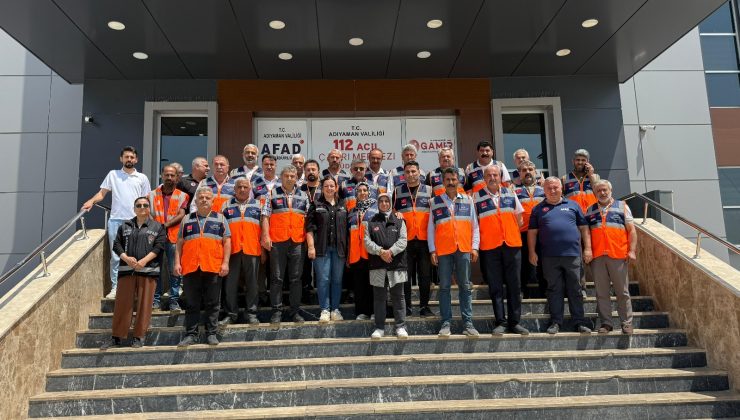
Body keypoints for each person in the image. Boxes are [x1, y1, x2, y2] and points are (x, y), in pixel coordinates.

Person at [81, 146, 151, 299]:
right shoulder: (113, 174)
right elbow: (102, 193)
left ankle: (135, 289)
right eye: (126, 157)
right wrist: (91, 201)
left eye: (132, 157)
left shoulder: (142, 178)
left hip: (136, 221)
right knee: (116, 256)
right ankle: (116, 288)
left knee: (137, 254)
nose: (129, 159)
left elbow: (146, 200)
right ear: (121, 159)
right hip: (115, 221)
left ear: (136, 160)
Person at [527, 177, 592, 335]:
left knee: (575, 289)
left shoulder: (573, 205)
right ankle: (556, 322)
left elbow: (584, 228)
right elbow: (532, 233)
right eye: (549, 188)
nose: (552, 190)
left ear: (561, 188)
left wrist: (588, 249)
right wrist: (532, 252)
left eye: (555, 187)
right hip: (549, 257)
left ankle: (579, 322)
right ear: (544, 190)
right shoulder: (538, 209)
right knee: (554, 289)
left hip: (573, 255)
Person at [100, 197, 166, 350]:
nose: (142, 207)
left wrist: (143, 261)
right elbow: (117, 245)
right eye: (139, 205)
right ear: (134, 208)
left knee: (144, 306)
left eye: (145, 205)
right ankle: (116, 337)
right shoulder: (125, 225)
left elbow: (159, 247)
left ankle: (139, 337)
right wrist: (126, 258)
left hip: (148, 271)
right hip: (126, 271)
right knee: (122, 305)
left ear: (149, 208)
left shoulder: (158, 227)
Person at [474, 165, 529, 335]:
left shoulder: (510, 193)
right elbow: (474, 223)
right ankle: (501, 321)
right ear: (484, 178)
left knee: (515, 285)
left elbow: (519, 218)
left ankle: (515, 322)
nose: (492, 178)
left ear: (500, 177)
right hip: (490, 247)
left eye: (495, 175)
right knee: (495, 286)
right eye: (489, 175)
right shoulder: (476, 197)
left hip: (512, 245)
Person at [174, 187, 231, 346]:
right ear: (196, 201)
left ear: (213, 201)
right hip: (190, 267)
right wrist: (177, 263)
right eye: (201, 198)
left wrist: (225, 263)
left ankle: (211, 333)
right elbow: (179, 243)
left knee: (213, 303)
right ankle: (190, 335)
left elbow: (227, 242)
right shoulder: (187, 219)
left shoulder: (221, 219)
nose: (204, 200)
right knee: (192, 303)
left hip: (213, 266)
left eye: (207, 198)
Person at [428, 168, 480, 337]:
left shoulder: (468, 200)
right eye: (448, 179)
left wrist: (474, 247)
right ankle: (445, 323)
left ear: (459, 181)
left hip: (463, 249)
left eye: (453, 179)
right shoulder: (434, 201)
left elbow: (475, 226)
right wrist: (432, 250)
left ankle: (468, 323)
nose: (451, 182)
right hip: (443, 250)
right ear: (443, 182)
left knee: (465, 286)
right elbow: (431, 229)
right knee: (444, 287)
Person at [586, 180, 637, 335]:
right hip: (598, 256)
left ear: (611, 190)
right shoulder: (590, 210)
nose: (602, 193)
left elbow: (631, 230)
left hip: (618, 254)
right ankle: (606, 323)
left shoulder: (622, 206)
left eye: (605, 190)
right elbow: (586, 233)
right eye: (599, 190)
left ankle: (626, 323)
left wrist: (632, 250)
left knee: (622, 292)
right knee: (602, 292)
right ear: (595, 193)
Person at [261, 165, 308, 323]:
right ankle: (276, 311)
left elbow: (307, 219)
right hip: (277, 241)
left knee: (296, 278)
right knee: (277, 278)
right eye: (286, 176)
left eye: (292, 176)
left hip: (297, 241)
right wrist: (265, 236)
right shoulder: (272, 194)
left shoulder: (303, 195)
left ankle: (294, 312)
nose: (289, 178)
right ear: (281, 177)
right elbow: (265, 216)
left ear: (296, 178)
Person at [219, 177, 263, 326]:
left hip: (253, 249)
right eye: (239, 187)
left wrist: (263, 251)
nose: (242, 189)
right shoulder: (226, 205)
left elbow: (264, 229)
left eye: (245, 187)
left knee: (253, 284)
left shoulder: (258, 205)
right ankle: (231, 314)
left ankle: (252, 314)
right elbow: (221, 230)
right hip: (232, 250)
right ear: (234, 189)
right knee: (230, 284)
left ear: (250, 189)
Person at [364, 193, 409, 339]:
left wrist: (390, 252)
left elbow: (403, 241)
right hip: (377, 266)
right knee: (379, 298)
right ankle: (379, 328)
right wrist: (380, 252)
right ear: (378, 204)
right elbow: (367, 242)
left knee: (399, 297)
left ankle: (400, 326)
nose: (384, 203)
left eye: (386, 201)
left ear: (390, 203)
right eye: (381, 201)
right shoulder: (371, 222)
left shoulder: (399, 221)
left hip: (396, 265)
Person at [393, 161, 433, 317]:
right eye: (407, 172)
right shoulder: (397, 191)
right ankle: (407, 307)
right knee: (406, 276)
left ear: (419, 172)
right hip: (405, 241)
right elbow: (392, 212)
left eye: (413, 171)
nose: (410, 174)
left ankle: (424, 307)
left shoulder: (429, 190)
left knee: (425, 275)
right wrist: (395, 215)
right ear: (403, 174)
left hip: (424, 240)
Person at [307, 176, 348, 322]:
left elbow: (348, 228)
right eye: (326, 186)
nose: (329, 188)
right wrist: (310, 247)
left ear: (336, 188)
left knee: (337, 280)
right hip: (321, 249)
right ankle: (324, 310)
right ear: (322, 188)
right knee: (323, 279)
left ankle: (335, 310)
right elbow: (309, 228)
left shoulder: (343, 205)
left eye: (332, 186)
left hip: (339, 249)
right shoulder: (315, 204)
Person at [149, 165, 189, 312]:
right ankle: (155, 300)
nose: (169, 178)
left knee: (174, 270)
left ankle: (174, 301)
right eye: (167, 175)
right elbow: (148, 214)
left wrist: (165, 225)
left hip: (174, 237)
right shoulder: (151, 195)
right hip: (155, 237)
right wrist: (157, 228)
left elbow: (181, 214)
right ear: (162, 175)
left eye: (172, 175)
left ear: (177, 177)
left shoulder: (183, 195)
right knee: (156, 269)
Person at [514, 160, 546, 298]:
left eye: (530, 169)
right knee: (522, 264)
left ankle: (545, 292)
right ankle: (522, 292)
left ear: (535, 172)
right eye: (524, 170)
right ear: (519, 174)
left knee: (543, 264)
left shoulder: (545, 190)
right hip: (522, 233)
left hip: (542, 232)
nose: (527, 172)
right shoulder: (514, 191)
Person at [347, 182, 378, 320]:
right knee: (359, 285)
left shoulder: (376, 209)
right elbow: (348, 234)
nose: (362, 193)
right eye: (359, 190)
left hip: (371, 253)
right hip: (356, 254)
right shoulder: (351, 211)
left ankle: (374, 311)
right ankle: (361, 312)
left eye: (365, 190)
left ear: (369, 192)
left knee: (373, 284)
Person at [562, 149, 600, 213]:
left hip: (591, 214)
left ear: (588, 162)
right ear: (573, 161)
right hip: (573, 214)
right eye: (578, 160)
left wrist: (590, 175)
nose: (580, 162)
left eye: (583, 160)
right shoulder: (565, 178)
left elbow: (598, 192)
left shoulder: (595, 177)